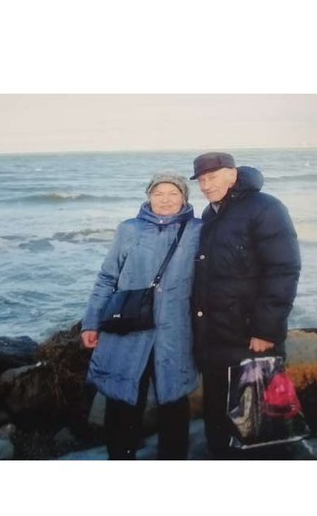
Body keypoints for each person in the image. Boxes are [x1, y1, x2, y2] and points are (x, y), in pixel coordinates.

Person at [80, 172, 201, 460]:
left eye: (173, 193)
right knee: (122, 398)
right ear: (148, 197)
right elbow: (107, 277)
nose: (165, 200)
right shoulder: (129, 229)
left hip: (176, 331)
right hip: (128, 329)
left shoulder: (198, 230)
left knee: (174, 400)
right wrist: (91, 323)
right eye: (158, 193)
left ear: (184, 198)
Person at [189, 152, 301, 458]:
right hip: (215, 336)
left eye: (212, 177)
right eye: (201, 179)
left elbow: (283, 270)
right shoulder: (211, 213)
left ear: (232, 174)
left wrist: (266, 330)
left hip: (250, 336)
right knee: (218, 412)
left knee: (257, 421)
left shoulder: (266, 208)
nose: (206, 185)